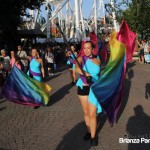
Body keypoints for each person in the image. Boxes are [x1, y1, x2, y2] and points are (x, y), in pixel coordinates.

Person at [75, 41, 102, 146]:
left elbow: (99, 74)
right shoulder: (81, 59)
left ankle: (93, 136)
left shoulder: (98, 59)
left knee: (92, 114)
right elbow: (77, 68)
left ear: (92, 49)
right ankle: (89, 130)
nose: (86, 50)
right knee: (86, 112)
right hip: (83, 88)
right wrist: (85, 73)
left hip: (94, 88)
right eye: (84, 48)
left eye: (88, 48)